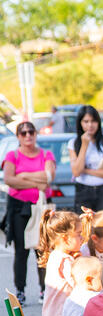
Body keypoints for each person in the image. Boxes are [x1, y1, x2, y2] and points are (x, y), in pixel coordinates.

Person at [2, 121, 56, 305]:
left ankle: (44, 289)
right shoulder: (13, 155)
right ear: (18, 136)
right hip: (19, 208)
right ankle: (20, 290)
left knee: (43, 249)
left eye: (31, 132)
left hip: (42, 206)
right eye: (23, 133)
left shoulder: (46, 154)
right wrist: (36, 182)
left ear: (35, 134)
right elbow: (10, 179)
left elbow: (48, 177)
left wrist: (23, 176)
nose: (27, 136)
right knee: (21, 250)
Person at [38, 210, 87, 316]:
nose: (82, 238)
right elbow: (79, 286)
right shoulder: (66, 261)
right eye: (78, 234)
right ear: (65, 239)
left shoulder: (56, 255)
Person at [68, 105, 103, 212]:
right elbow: (76, 172)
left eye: (93, 121)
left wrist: (86, 171)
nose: (90, 125)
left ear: (98, 122)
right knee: (84, 221)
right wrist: (84, 145)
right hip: (83, 190)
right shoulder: (73, 143)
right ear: (80, 123)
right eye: (86, 121)